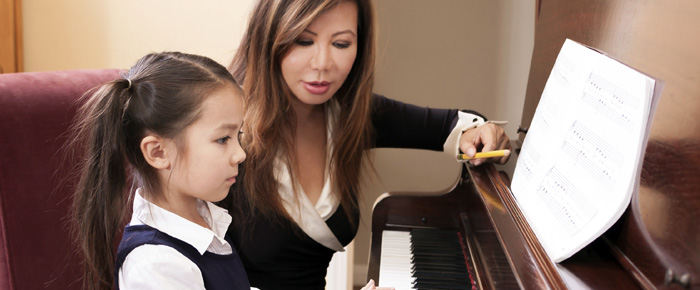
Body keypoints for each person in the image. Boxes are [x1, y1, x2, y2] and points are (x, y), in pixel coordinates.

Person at [223, 0, 511, 289]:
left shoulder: (350, 115)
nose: (322, 63)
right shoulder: (223, 131)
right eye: (303, 40)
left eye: (341, 43)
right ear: (268, 36)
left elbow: (452, 127)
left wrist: (479, 133)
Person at [69, 52, 250, 290]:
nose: (241, 154)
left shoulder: (205, 219)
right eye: (223, 139)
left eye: (239, 136)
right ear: (158, 152)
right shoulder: (156, 265)